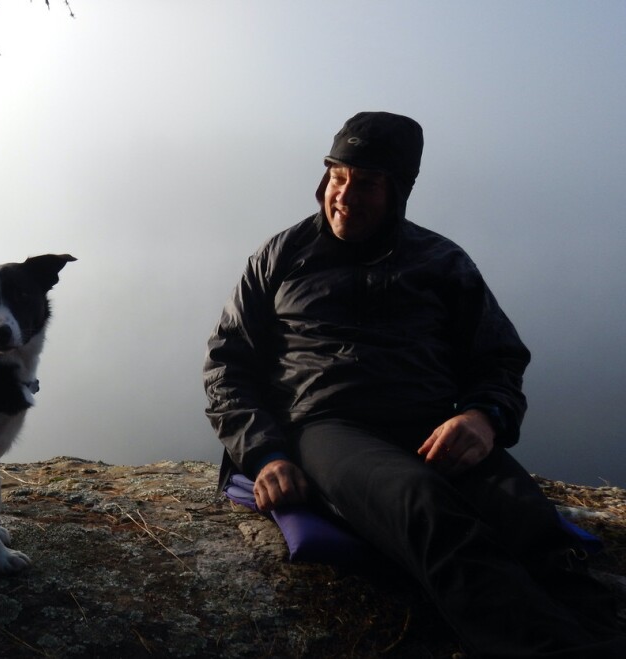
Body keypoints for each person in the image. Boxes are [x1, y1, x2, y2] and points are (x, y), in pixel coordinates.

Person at [203, 111, 625, 658]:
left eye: (369, 183)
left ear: (398, 191)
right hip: (328, 426)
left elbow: (499, 357)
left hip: (430, 424)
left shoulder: (441, 261)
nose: (346, 197)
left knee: (532, 525)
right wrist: (263, 455)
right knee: (427, 510)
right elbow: (226, 365)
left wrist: (482, 417)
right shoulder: (280, 257)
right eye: (338, 176)